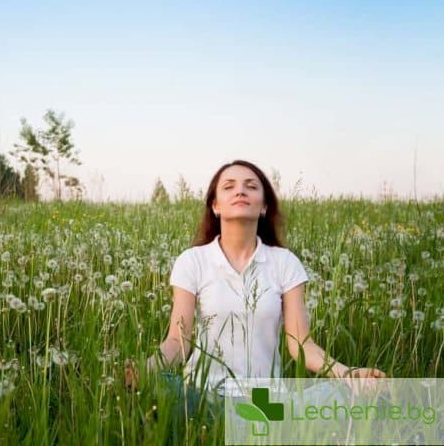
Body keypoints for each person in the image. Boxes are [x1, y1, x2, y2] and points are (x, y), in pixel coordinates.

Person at [125, 160, 385, 412]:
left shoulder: (284, 262)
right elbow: (178, 340)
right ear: (215, 206)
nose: (240, 190)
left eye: (251, 186)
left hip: (266, 400)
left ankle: (251, 423)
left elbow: (301, 345)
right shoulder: (193, 261)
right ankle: (236, 425)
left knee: (353, 393)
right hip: (201, 397)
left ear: (263, 206)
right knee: (159, 388)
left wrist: (347, 374)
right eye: (229, 186)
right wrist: (145, 369)